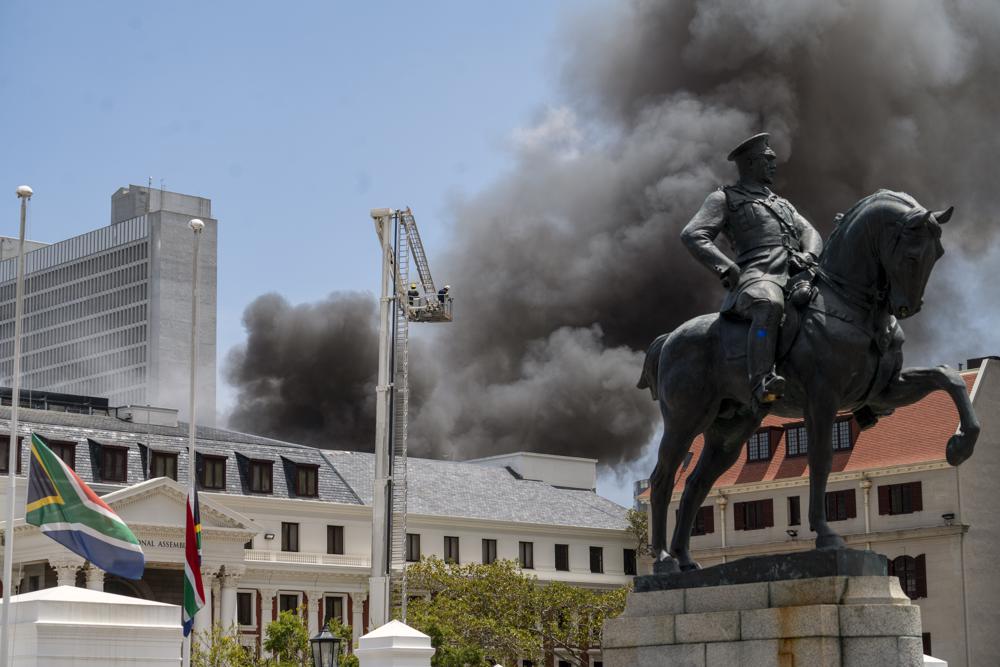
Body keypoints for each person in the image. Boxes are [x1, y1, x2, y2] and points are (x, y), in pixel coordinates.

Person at [680, 132, 823, 406]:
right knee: (768, 306)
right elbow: (692, 234)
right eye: (766, 159)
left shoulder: (781, 203)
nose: (773, 165)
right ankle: (762, 381)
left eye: (772, 159)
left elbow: (811, 232)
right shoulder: (725, 198)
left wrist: (808, 254)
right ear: (749, 164)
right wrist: (726, 267)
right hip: (757, 276)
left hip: (795, 272)